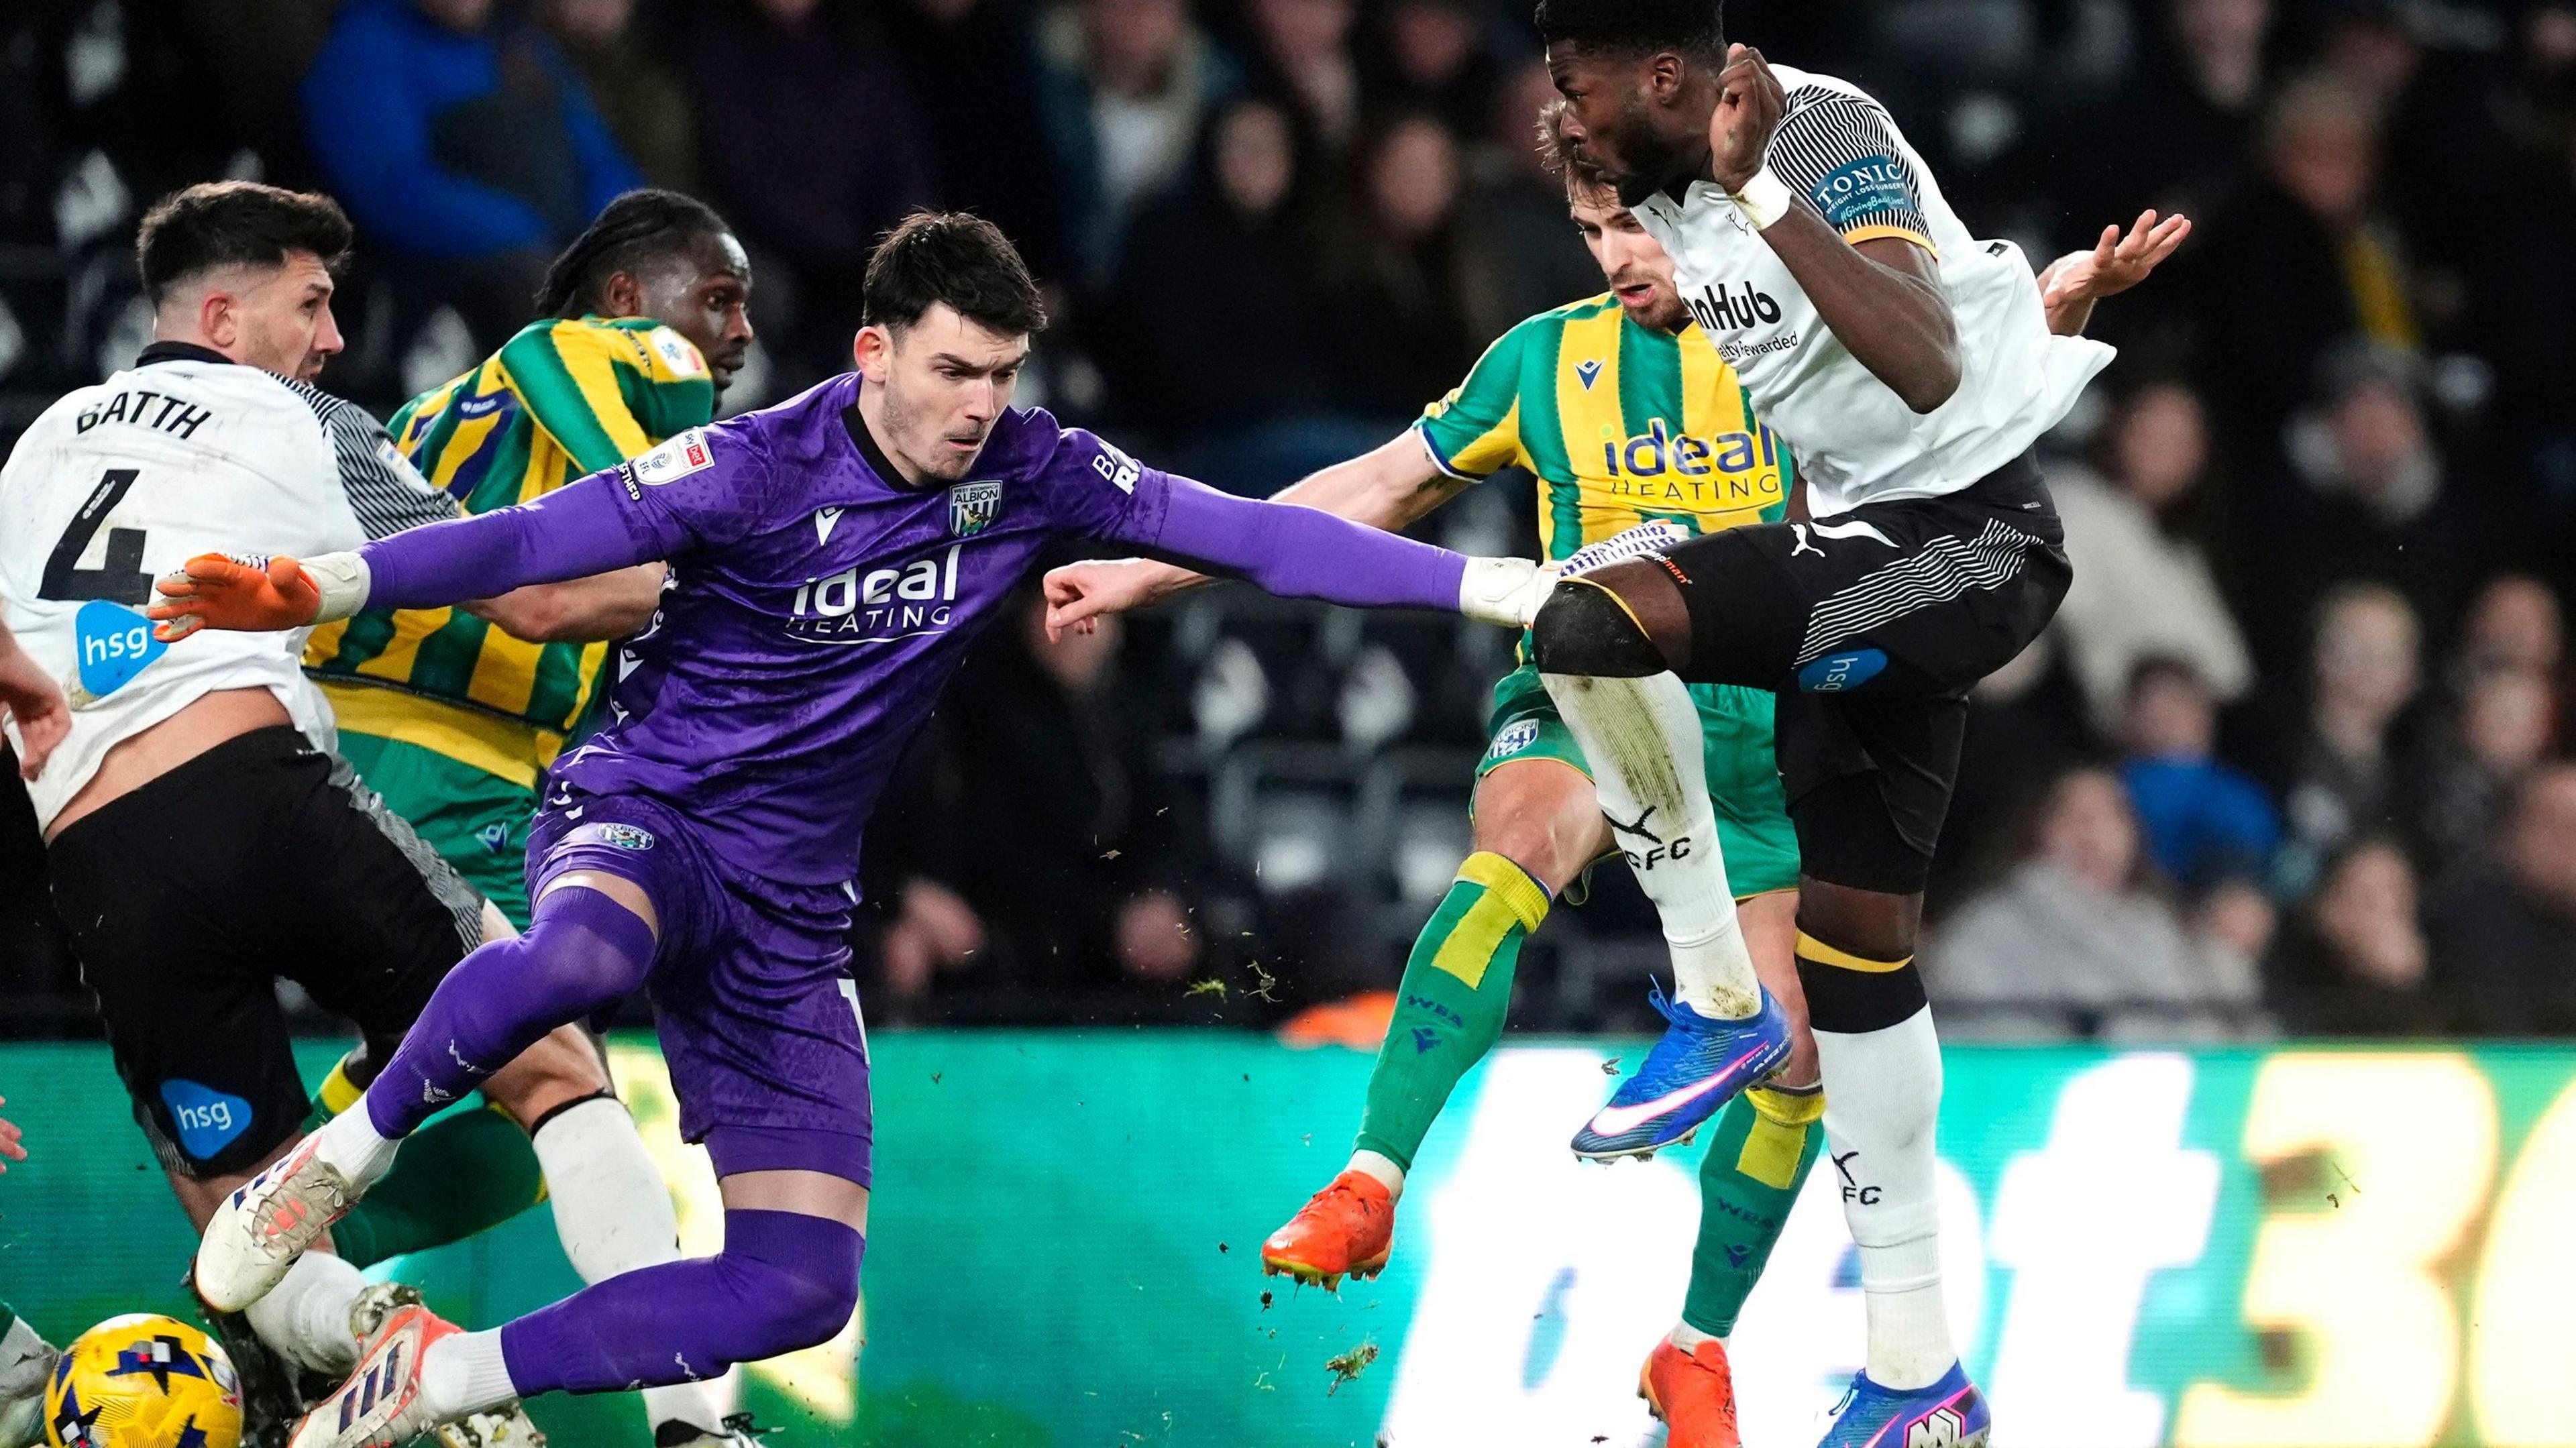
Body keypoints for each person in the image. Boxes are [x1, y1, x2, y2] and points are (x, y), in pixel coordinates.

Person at [154, 211, 1556, 1448]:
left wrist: (1495, 588)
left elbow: (1257, 535)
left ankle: (442, 1369)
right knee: (584, 953)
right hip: (645, 806)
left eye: (1002, 374)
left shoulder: (1035, 466)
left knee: (799, 1284)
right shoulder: (751, 463)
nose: (979, 404)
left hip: (790, 904)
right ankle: (338, 1154)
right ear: (876, 350)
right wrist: (319, 585)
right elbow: (522, 543)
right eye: (954, 369)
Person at [1041, 101, 2179, 1445]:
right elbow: (1356, 490)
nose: (1617, 256)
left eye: (1633, 222)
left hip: (1754, 717)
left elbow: (1940, 370)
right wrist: (1153, 568)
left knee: (1806, 1047)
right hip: (1590, 692)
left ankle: (1696, 1345)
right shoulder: (1539, 363)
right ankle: (1369, 1176)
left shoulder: (1787, 344)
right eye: (1590, 229)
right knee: (1519, 826)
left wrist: (2056, 300)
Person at [1523, 1, 2174, 1439]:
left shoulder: (1811, 131)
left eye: (1576, 87)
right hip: (1877, 555)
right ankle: (1917, 1375)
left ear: (1670, 75)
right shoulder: (1676, 189)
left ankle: (1710, 1000)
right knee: (1861, 961)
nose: (1560, 114)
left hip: (1972, 545)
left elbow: (1927, 362)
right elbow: (1888, 354)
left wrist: (1760, 189)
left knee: (1587, 618)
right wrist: (2047, 304)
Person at [0, 182, 682, 1442]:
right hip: (260, 795)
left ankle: (378, 1340)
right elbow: (526, 596)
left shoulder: (38, 444)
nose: (328, 336)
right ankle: (694, 1422)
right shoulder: (300, 413)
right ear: (222, 313)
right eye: (309, 302)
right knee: (550, 1059)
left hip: (99, 855)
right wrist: (674, 567)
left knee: (236, 1219)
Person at [307, 189, 753, 932]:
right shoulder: (618, 350)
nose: (739, 331)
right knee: (550, 1031)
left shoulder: (425, 411)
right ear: (626, 297)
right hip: (447, 758)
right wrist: (674, 511)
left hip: (336, 733)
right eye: (719, 299)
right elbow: (545, 347)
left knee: (435, 1035)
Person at [1923, 766, 2263, 1040]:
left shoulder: (2159, 927)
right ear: (2037, 833)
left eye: (2108, 815)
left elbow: (2218, 1033)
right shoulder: (1985, 929)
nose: (2090, 831)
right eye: (2072, 815)